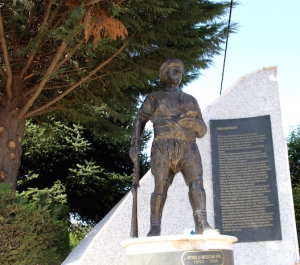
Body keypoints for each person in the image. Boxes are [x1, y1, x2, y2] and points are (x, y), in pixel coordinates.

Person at [130, 58, 212, 236]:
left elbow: (203, 129)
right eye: (175, 69)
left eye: (181, 71)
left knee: (196, 183)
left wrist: (194, 124)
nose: (179, 74)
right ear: (164, 73)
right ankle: (155, 227)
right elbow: (139, 120)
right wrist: (135, 143)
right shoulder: (154, 98)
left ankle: (202, 223)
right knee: (160, 187)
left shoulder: (190, 100)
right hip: (163, 147)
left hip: (187, 147)